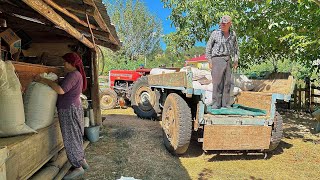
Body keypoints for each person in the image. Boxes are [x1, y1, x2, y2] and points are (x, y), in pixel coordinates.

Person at [35, 52, 89, 179]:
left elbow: (61, 90)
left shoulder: (73, 75)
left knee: (70, 138)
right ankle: (82, 161)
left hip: (68, 110)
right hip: (73, 108)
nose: (63, 64)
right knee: (75, 136)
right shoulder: (76, 74)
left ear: (72, 64)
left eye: (65, 62)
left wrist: (43, 80)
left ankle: (78, 167)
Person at [205, 15, 239, 109]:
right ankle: (216, 103)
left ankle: (226, 103)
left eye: (225, 24)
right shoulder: (215, 33)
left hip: (228, 59)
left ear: (229, 24)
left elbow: (236, 49)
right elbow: (208, 47)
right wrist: (209, 60)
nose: (222, 25)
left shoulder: (233, 35)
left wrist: (236, 60)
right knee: (217, 82)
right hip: (217, 59)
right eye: (221, 24)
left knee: (227, 82)